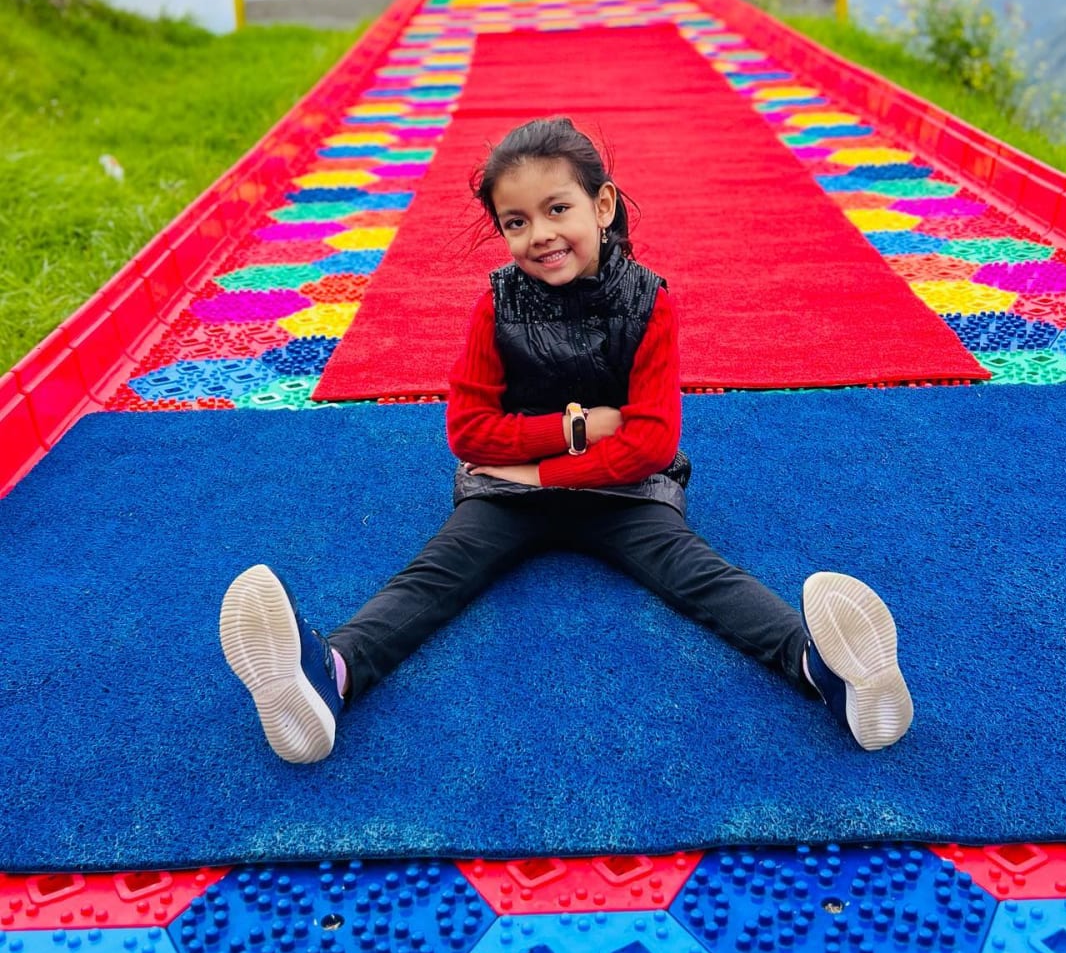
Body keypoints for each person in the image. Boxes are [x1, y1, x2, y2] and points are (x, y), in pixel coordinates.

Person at [220, 116, 913, 764]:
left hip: (620, 491)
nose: (540, 234)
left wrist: (537, 473)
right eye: (516, 222)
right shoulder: (496, 304)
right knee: (434, 576)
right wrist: (576, 428)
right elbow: (466, 430)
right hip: (505, 494)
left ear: (602, 205)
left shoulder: (650, 301)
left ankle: (827, 673)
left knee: (701, 576)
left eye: (558, 209)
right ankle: (326, 678)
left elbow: (649, 442)